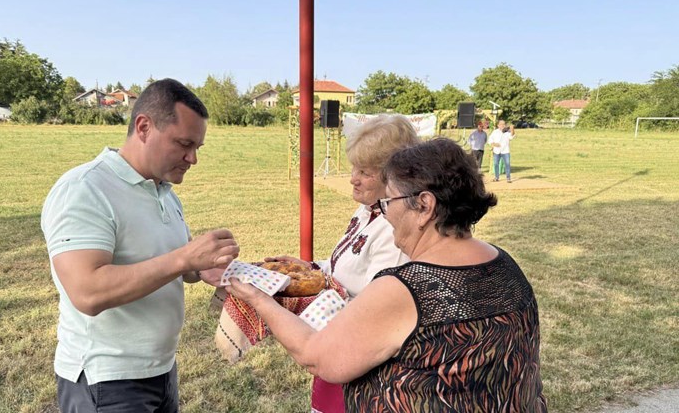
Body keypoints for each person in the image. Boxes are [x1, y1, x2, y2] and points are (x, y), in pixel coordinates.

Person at [227, 138, 547, 412]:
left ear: (424, 205)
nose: (385, 212)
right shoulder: (504, 263)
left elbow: (318, 358)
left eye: (388, 201)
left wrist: (259, 298)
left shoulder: (405, 289)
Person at [41, 78, 240, 413]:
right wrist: (182, 259)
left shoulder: (162, 191)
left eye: (197, 148)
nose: (192, 159)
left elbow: (165, 263)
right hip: (105, 380)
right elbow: (87, 292)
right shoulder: (85, 189)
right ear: (144, 127)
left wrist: (199, 266)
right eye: (183, 144)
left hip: (160, 371)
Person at [266, 114, 420, 413]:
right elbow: (345, 267)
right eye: (354, 167)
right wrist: (309, 266)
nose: (353, 178)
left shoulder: (394, 230)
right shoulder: (367, 212)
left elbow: (377, 307)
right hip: (338, 342)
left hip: (361, 365)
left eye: (364, 171)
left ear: (395, 178)